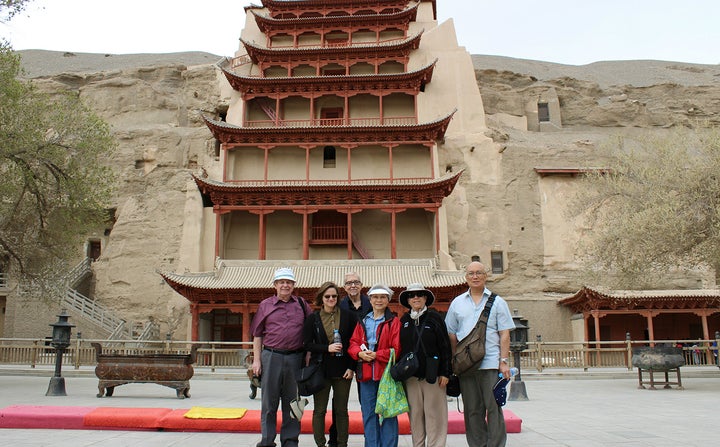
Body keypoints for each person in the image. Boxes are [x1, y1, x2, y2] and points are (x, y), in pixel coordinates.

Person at [445, 261, 515, 447]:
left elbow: (504, 333)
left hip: (490, 364)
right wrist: (456, 358)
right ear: (465, 277)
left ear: (485, 276)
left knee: (494, 408)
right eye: (471, 273)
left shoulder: (498, 302)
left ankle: (496, 444)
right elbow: (451, 332)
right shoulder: (457, 303)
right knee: (472, 410)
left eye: (479, 273)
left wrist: (504, 361)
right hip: (467, 367)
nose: (475, 276)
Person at [251, 267, 312, 447]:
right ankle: (267, 440)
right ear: (275, 285)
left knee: (292, 402)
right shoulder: (265, 305)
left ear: (293, 285)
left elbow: (311, 330)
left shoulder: (302, 304)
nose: (285, 285)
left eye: (289, 282)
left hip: (295, 358)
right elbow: (257, 334)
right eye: (282, 282)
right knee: (269, 402)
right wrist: (256, 360)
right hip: (271, 357)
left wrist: (308, 354)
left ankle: (290, 440)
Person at [398, 283, 452, 447]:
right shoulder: (404, 320)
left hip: (433, 376)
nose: (415, 298)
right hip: (411, 377)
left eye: (419, 294)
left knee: (434, 415)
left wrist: (446, 372)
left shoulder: (434, 318)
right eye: (412, 295)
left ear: (425, 298)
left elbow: (445, 346)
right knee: (415, 415)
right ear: (407, 300)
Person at [303, 282, 356, 447]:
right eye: (327, 296)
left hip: (343, 370)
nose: (331, 299)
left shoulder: (348, 316)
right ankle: (320, 443)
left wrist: (352, 367)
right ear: (321, 298)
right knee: (320, 410)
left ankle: (342, 443)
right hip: (321, 370)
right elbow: (307, 344)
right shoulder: (313, 318)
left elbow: (354, 343)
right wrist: (327, 347)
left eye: (334, 296)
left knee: (341, 411)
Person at [348, 284, 401, 447]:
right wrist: (359, 353)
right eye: (375, 297)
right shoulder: (363, 321)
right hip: (366, 375)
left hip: (385, 375)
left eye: (382, 297)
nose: (379, 300)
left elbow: (396, 349)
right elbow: (353, 343)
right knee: (369, 414)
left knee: (388, 413)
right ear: (370, 300)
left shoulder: (393, 322)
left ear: (388, 300)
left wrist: (377, 355)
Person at [329, 271, 372, 447]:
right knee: (339, 403)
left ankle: (371, 439)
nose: (352, 285)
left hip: (368, 358)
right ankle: (336, 439)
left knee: (368, 402)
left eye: (356, 282)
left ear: (361, 285)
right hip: (344, 358)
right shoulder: (339, 305)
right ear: (344, 287)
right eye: (348, 283)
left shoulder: (372, 302)